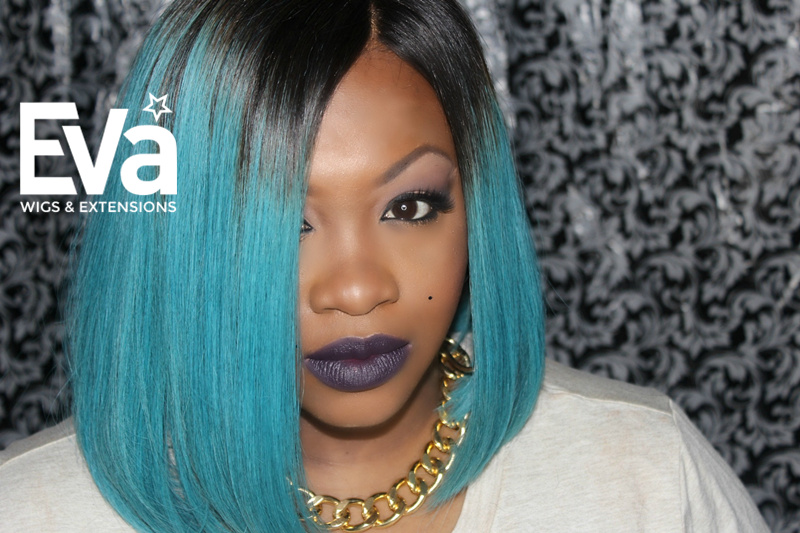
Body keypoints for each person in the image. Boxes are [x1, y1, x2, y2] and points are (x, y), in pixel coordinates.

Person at [0, 0, 770, 531]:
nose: (358, 288)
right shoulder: (34, 512)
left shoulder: (642, 481)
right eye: (283, 221)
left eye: (410, 206)